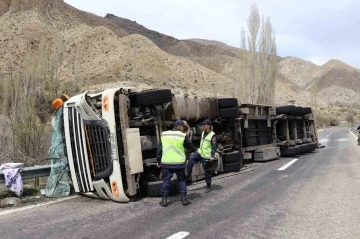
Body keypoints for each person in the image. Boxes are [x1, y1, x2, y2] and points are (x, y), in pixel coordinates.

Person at [156, 120, 195, 207]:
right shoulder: (183, 135)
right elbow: (190, 146)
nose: (183, 129)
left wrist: (158, 161)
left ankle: (164, 200)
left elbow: (159, 150)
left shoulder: (164, 134)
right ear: (180, 127)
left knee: (166, 180)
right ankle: (184, 199)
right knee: (181, 180)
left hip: (166, 162)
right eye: (183, 127)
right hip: (179, 163)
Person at [186, 119, 217, 193]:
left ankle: (208, 185)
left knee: (207, 171)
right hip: (200, 152)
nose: (203, 126)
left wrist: (212, 156)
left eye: (204, 125)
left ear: (208, 126)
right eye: (202, 124)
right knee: (191, 159)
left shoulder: (213, 135)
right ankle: (187, 176)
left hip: (206, 156)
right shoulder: (203, 132)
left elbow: (214, 147)